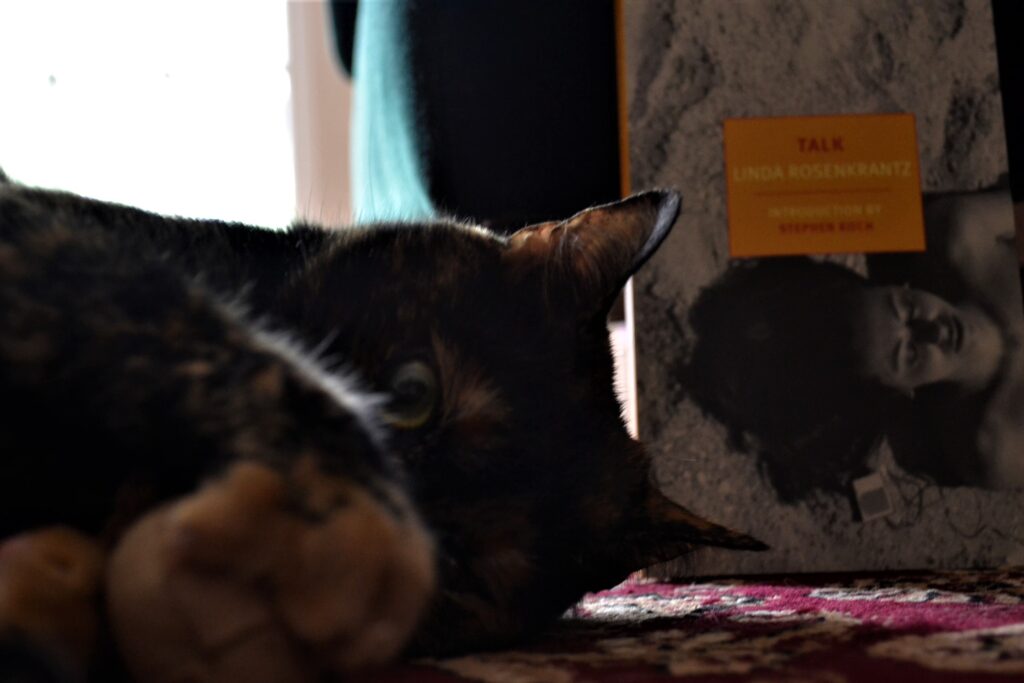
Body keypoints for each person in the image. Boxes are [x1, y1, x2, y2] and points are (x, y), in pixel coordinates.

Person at [687, 190, 1023, 500]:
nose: (932, 333)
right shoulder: (996, 446)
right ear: (902, 390)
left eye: (906, 308)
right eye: (909, 355)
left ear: (901, 286)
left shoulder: (964, 234)